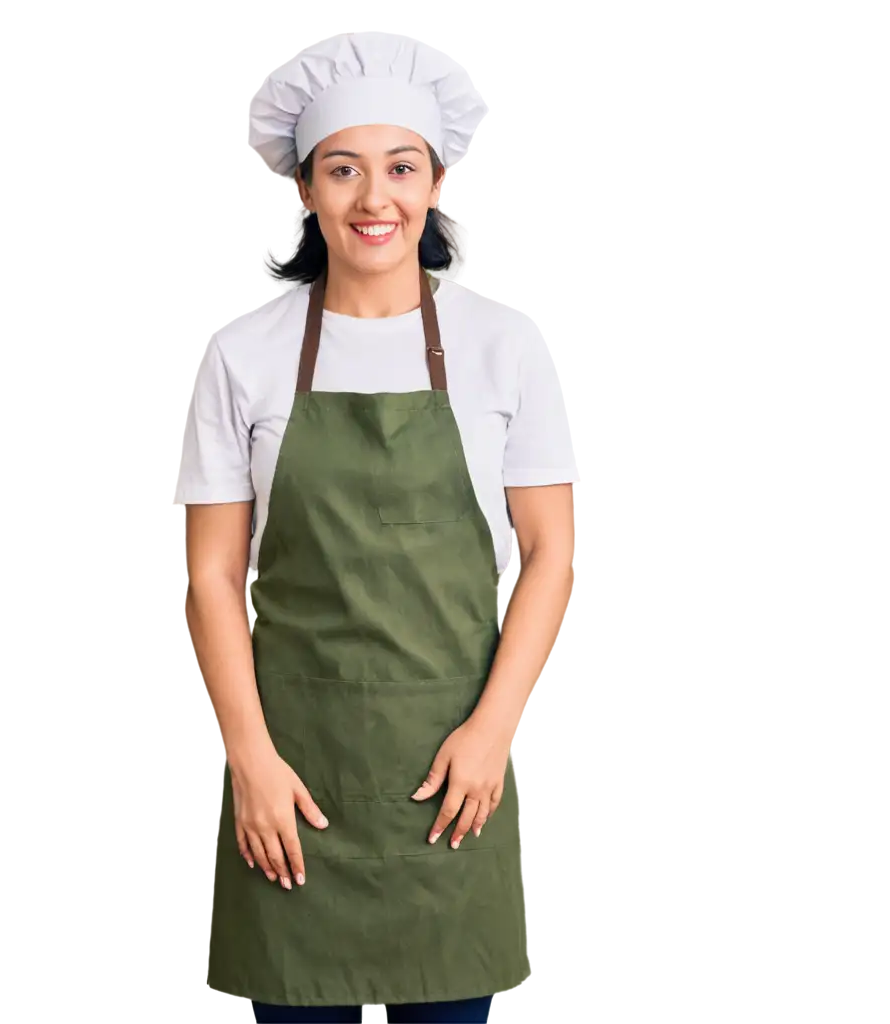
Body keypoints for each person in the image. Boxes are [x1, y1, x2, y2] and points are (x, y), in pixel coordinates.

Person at [170, 27, 584, 1024]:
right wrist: (251, 761)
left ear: (436, 182)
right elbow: (213, 579)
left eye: (400, 167)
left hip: (449, 778)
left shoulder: (505, 346)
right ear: (305, 191)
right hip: (293, 778)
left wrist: (490, 732)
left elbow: (549, 553)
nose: (374, 198)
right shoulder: (244, 352)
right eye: (341, 170)